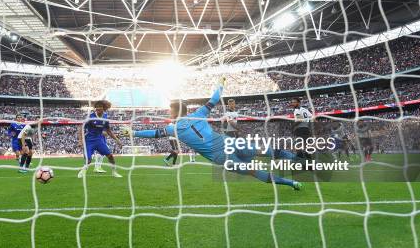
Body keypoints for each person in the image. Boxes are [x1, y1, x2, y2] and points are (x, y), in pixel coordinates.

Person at [123, 79, 303, 190]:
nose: (168, 113)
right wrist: (221, 85)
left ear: (176, 111)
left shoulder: (174, 128)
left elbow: (153, 133)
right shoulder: (199, 113)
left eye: (170, 110)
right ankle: (298, 160)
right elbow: (215, 99)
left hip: (220, 155)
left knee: (254, 172)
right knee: (262, 152)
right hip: (226, 142)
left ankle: (292, 183)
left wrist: (133, 132)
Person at [78, 100, 123, 178]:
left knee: (110, 156)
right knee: (88, 160)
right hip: (89, 140)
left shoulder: (105, 117)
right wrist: (80, 141)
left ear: (104, 108)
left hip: (99, 140)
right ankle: (82, 171)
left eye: (100, 107)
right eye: (97, 107)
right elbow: (81, 128)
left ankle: (114, 172)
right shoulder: (90, 117)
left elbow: (108, 131)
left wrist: (117, 140)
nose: (98, 108)